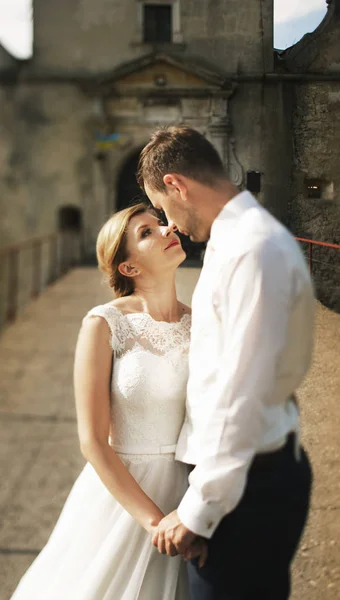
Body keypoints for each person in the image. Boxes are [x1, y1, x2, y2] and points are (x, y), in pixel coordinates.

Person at [137, 126, 315, 600]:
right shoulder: (236, 239)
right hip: (250, 477)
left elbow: (241, 400)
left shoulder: (251, 250)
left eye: (162, 208)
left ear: (176, 185)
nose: (168, 224)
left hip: (248, 489)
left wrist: (198, 513)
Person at [10, 201, 206, 600]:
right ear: (129, 268)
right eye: (147, 233)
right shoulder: (103, 324)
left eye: (160, 223)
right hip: (125, 497)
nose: (167, 229)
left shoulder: (201, 322)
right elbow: (93, 442)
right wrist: (155, 524)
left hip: (190, 492)